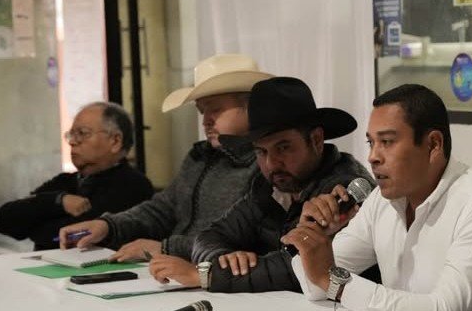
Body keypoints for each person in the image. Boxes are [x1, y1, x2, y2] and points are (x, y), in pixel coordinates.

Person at [283, 84, 472, 311]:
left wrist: (336, 282)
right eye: (371, 143)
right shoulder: (380, 200)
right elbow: (315, 286)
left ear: (433, 145)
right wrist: (315, 240)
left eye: (386, 141)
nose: (373, 157)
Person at [156, 77, 372, 290]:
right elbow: (209, 237)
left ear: (316, 140)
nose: (271, 163)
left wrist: (208, 275)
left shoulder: (347, 190)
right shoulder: (269, 187)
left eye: (283, 148)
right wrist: (224, 259)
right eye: (261, 151)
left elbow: (298, 267)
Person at [58, 54, 272, 259]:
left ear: (251, 108)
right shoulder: (199, 157)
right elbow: (164, 208)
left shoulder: (266, 164)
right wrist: (108, 226)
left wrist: (166, 248)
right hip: (178, 266)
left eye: (215, 110)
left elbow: (243, 242)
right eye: (202, 111)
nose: (206, 121)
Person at [0, 102, 152, 250]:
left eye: (82, 133)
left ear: (115, 141)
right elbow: (4, 221)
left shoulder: (133, 185)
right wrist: (57, 201)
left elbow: (65, 236)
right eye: (71, 135)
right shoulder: (66, 181)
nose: (72, 142)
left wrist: (37, 219)